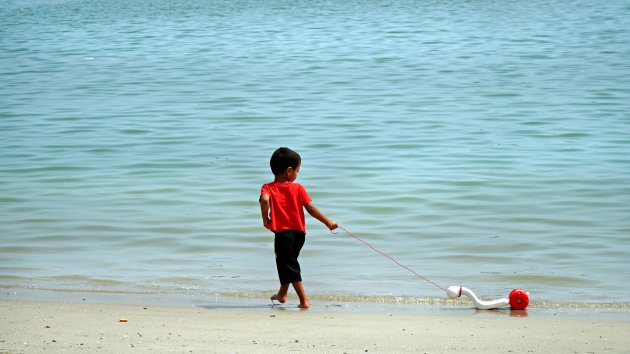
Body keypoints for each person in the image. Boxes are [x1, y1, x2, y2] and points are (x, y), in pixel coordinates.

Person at [259, 147, 337, 309]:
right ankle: (282, 294)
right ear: (289, 171)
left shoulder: (268, 187)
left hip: (283, 235)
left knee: (288, 265)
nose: (297, 174)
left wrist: (265, 218)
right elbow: (311, 209)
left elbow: (265, 200)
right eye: (298, 170)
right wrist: (328, 222)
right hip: (299, 235)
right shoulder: (298, 188)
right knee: (287, 263)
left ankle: (304, 300)